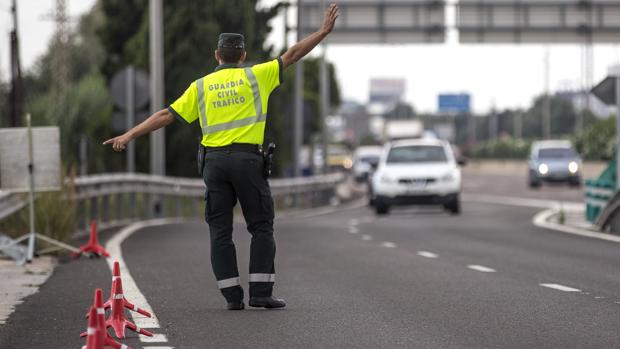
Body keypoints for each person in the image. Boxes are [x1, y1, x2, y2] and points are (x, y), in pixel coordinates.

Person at [104, 4, 339, 310]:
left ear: (217, 56)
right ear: (242, 56)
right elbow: (292, 54)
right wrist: (322, 32)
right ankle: (260, 293)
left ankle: (232, 297)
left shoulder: (200, 87)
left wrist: (129, 135)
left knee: (220, 231)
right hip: (248, 162)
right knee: (261, 226)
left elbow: (165, 115)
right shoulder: (258, 76)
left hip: (214, 165)